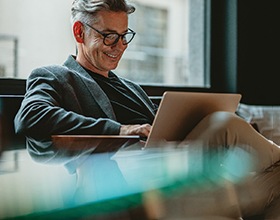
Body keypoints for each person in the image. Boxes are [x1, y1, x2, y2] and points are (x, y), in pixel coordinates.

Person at [14, 0, 280, 218]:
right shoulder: (56, 77)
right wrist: (121, 130)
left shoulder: (131, 87)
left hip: (179, 174)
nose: (120, 47)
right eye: (109, 37)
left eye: (124, 36)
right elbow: (31, 117)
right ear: (79, 32)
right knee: (223, 124)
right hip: (135, 189)